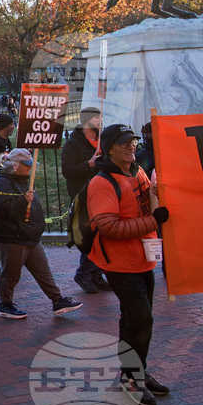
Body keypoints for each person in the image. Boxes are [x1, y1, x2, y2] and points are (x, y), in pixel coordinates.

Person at [88, 123, 170, 405]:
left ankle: (135, 374)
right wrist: (153, 221)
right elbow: (109, 227)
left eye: (133, 141)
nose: (131, 146)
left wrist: (161, 191)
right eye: (124, 143)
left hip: (144, 259)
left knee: (135, 319)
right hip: (120, 264)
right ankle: (133, 376)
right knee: (141, 318)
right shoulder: (101, 183)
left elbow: (151, 201)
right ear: (109, 149)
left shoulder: (137, 171)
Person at [0, 149, 83, 320]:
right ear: (15, 165)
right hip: (13, 236)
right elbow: (4, 210)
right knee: (11, 274)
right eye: (26, 166)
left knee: (43, 270)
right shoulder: (3, 181)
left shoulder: (23, 179)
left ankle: (57, 300)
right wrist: (23, 200)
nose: (30, 169)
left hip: (29, 235)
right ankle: (5, 305)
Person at [62, 106, 112, 294]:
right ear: (87, 121)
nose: (100, 120)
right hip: (83, 194)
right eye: (97, 117)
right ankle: (84, 273)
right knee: (92, 235)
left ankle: (95, 274)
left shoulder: (101, 139)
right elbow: (67, 171)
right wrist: (89, 164)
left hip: (103, 191)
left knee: (102, 233)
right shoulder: (73, 144)